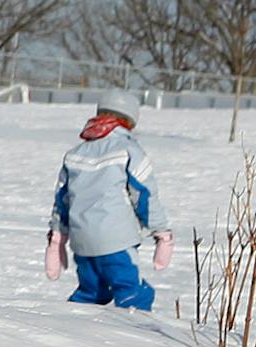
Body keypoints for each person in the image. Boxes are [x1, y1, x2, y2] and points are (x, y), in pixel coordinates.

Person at [44, 90, 170, 310]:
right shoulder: (129, 150)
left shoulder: (75, 153)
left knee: (91, 293)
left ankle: (69, 327)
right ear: (130, 120)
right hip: (117, 241)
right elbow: (143, 195)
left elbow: (62, 200)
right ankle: (139, 335)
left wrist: (57, 237)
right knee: (131, 293)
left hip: (82, 242)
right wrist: (162, 233)